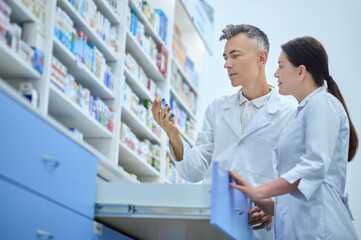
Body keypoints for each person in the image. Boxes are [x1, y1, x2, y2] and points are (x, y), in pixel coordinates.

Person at [152, 24, 296, 239]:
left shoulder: (290, 114)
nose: (227, 64)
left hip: (260, 230)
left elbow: (296, 179)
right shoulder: (217, 109)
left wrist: (275, 207)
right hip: (212, 225)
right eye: (225, 57)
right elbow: (194, 172)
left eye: (235, 56)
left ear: (261, 58)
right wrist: (174, 135)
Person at [228, 36, 359, 239]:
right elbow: (300, 192)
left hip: (323, 229)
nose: (275, 74)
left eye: (281, 66)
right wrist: (270, 206)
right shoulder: (300, 115)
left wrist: (260, 191)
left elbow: (315, 165)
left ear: (301, 71)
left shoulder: (322, 103)